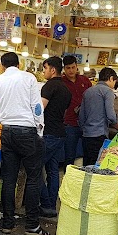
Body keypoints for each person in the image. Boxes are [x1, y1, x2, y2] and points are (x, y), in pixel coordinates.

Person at [0, 51, 49, 235]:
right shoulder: (28, 78)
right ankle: (32, 226)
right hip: (27, 131)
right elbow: (37, 107)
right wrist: (39, 130)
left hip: (7, 131)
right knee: (33, 177)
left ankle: (7, 223)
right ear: (19, 64)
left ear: (2, 65)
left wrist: (4, 113)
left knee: (9, 178)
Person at [38, 56, 72, 218]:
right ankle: (51, 206)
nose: (43, 71)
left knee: (35, 167)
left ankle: (45, 204)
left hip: (49, 134)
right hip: (60, 133)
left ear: (52, 70)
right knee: (52, 171)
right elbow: (62, 112)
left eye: (45, 68)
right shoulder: (66, 89)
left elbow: (39, 111)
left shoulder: (49, 87)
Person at [78, 67, 118, 167]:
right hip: (98, 135)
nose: (113, 86)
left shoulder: (88, 91)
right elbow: (111, 116)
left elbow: (81, 116)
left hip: (86, 136)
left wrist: (84, 131)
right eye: (114, 82)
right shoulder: (108, 91)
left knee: (86, 166)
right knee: (96, 166)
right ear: (111, 78)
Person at [60, 54, 92, 166]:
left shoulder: (85, 80)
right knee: (69, 155)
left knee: (87, 153)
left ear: (77, 66)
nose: (71, 70)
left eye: (73, 67)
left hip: (86, 123)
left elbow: (92, 98)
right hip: (69, 123)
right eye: (68, 68)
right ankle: (67, 179)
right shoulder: (61, 83)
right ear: (64, 69)